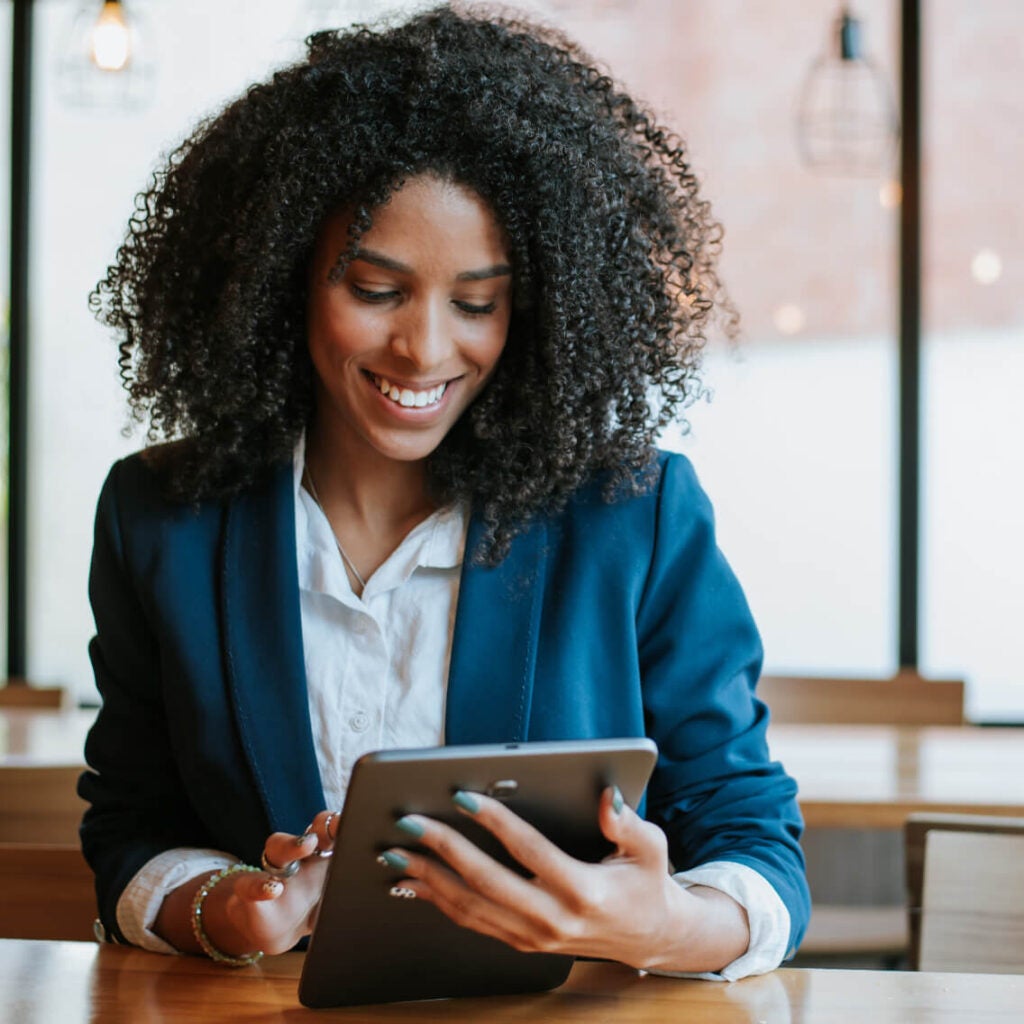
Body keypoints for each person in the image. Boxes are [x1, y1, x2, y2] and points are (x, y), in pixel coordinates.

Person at [80, 3, 809, 980]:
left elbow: (754, 836)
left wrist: (670, 923)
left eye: (476, 303)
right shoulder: (160, 520)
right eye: (375, 290)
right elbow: (132, 824)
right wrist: (220, 906)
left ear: (536, 305)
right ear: (279, 274)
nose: (424, 348)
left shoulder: (633, 515)